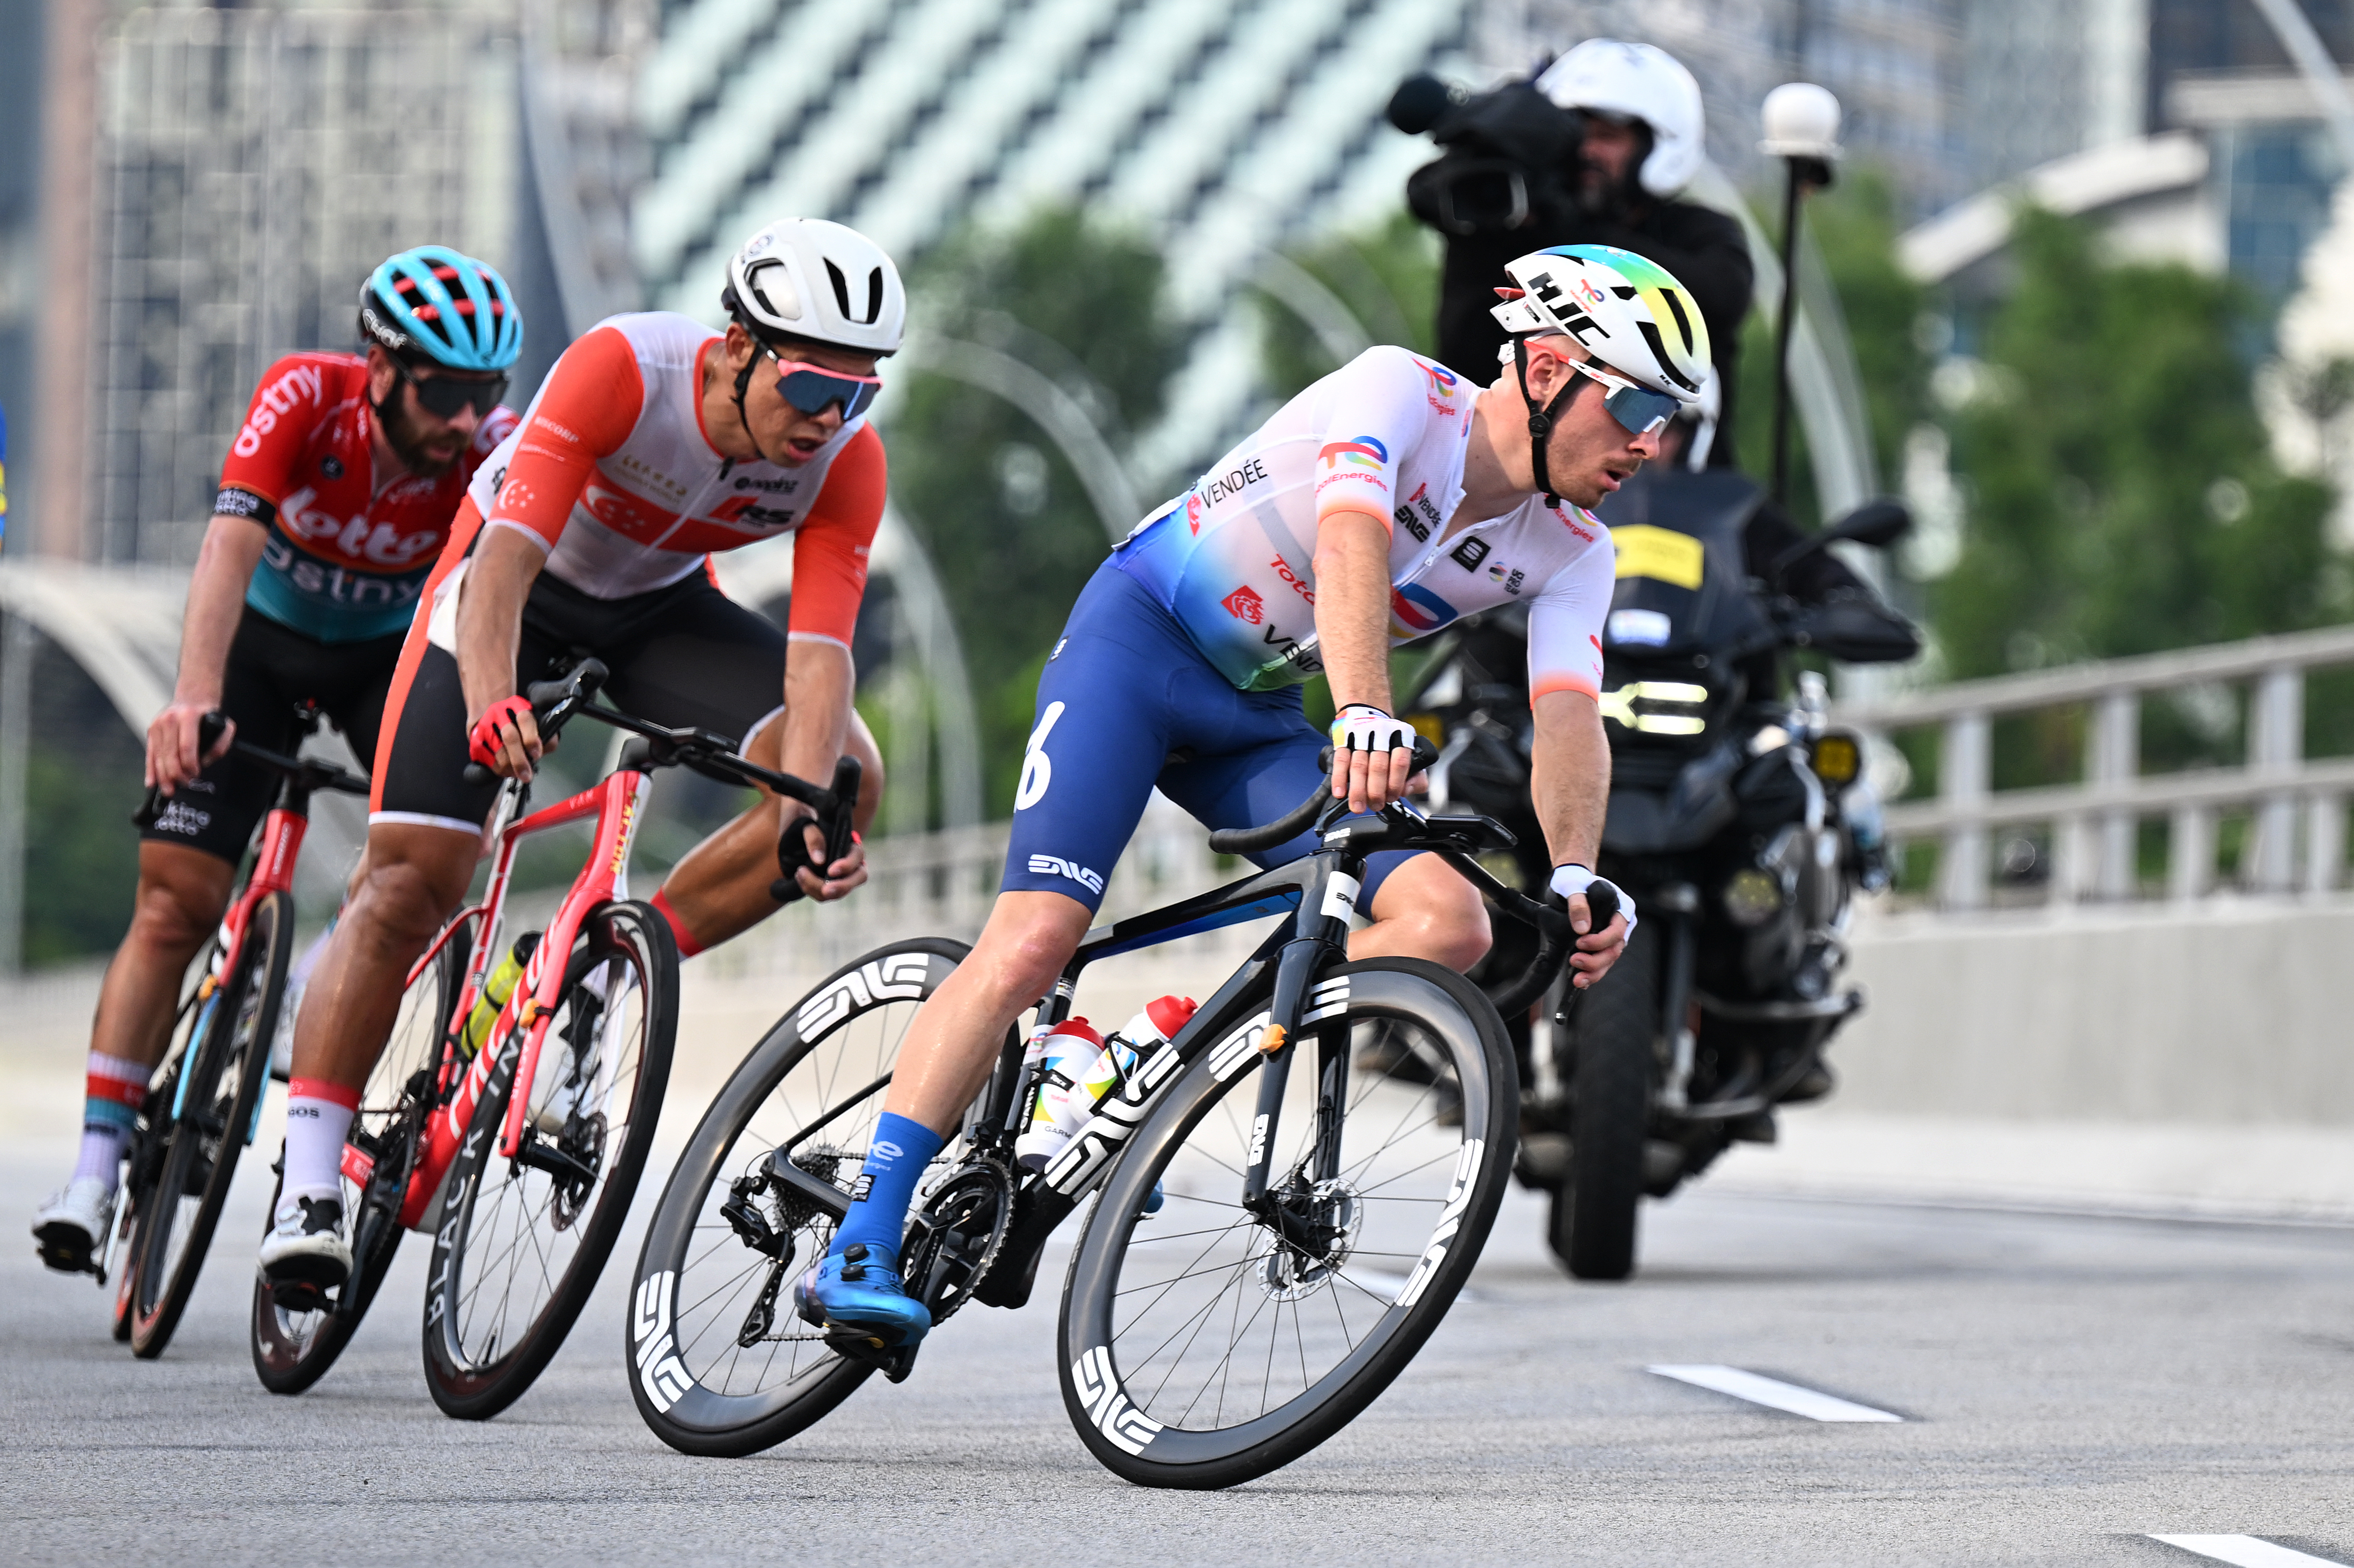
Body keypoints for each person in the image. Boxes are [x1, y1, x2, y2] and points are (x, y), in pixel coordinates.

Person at [790, 242, 1703, 1349]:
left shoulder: (1572, 550)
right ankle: (865, 1233)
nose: (1649, 443)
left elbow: (1567, 713)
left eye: (1668, 418)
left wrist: (1572, 873)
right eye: (1637, 403)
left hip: (1255, 713)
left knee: (1449, 920)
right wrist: (1366, 711)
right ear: (1550, 367)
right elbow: (1351, 533)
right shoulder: (1401, 393)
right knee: (1033, 941)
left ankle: (1156, 1057)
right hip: (1139, 644)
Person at [257, 217, 897, 1294]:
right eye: (811, 387)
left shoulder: (844, 461)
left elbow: (819, 663)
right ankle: (309, 1181)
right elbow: (502, 563)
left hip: (658, 613)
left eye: (859, 394)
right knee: (413, 877)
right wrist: (489, 698)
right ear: (737, 345)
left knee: (847, 777)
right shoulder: (622, 369)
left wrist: (809, 818)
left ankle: (601, 972)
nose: (829, 420)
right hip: (519, 592)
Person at [32, 247, 524, 1275]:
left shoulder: (490, 449)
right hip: (257, 648)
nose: (465, 420)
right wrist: (193, 695)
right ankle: (93, 1164)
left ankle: (311, 976)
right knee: (174, 905)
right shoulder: (305, 395)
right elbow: (228, 546)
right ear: (381, 369)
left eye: (487, 393)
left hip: (382, 659)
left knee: (420, 868)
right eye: (443, 392)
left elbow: (505, 578)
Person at [1429, 40, 1754, 466]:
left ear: (1656, 147)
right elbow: (1463, 354)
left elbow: (1718, 295)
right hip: (1510, 482)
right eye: (1574, 136)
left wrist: (1571, 232)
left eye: (1607, 137)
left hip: (1681, 502)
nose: (1585, 152)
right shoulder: (1516, 222)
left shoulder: (1697, 230)